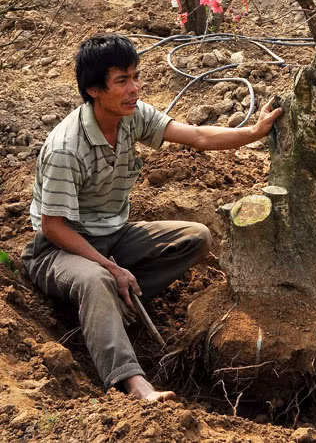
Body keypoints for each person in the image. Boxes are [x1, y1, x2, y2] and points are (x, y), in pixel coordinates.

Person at [22, 34, 283, 402]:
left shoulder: (132, 116)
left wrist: (254, 133)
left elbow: (197, 136)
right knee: (97, 278)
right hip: (59, 250)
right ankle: (132, 381)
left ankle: (107, 308)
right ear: (94, 90)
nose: (135, 88)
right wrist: (111, 269)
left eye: (136, 76)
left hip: (114, 234)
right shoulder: (67, 148)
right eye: (122, 81)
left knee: (195, 237)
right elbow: (53, 226)